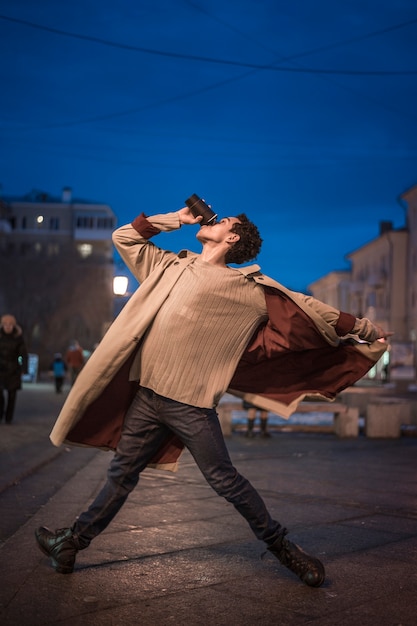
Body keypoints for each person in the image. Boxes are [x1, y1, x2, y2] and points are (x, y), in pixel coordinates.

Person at [35, 205, 390, 587]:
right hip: (148, 396)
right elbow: (124, 237)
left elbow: (310, 309)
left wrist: (367, 330)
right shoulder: (170, 268)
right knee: (121, 475)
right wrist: (176, 218)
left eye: (224, 223)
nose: (213, 222)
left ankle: (284, 549)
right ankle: (71, 543)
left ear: (232, 238)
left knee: (226, 481)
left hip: (192, 405)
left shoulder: (249, 290)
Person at [0, 314, 28, 424]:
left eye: (10, 324)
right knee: (0, 395)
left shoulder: (18, 338)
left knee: (12, 395)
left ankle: (9, 417)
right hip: (0, 369)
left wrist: (23, 369)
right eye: (5, 324)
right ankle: (0, 413)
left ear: (14, 326)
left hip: (13, 370)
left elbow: (23, 355)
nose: (8, 326)